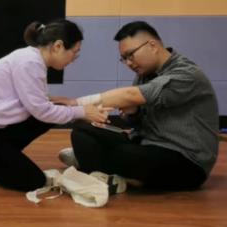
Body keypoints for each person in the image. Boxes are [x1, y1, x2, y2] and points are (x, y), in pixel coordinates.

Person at [0, 19, 110, 192]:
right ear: (58, 46)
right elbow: (42, 110)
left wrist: (75, 108)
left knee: (51, 113)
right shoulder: (30, 63)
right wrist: (82, 112)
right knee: (34, 181)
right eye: (75, 52)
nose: (74, 59)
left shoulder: (33, 59)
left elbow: (39, 102)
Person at [63, 21, 219, 190]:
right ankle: (110, 171)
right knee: (82, 130)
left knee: (125, 155)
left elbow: (130, 95)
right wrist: (133, 114)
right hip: (146, 145)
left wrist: (75, 104)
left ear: (152, 45)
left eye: (130, 55)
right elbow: (136, 123)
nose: (129, 63)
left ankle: (94, 163)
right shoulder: (144, 74)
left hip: (187, 161)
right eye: (124, 59)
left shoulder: (187, 73)